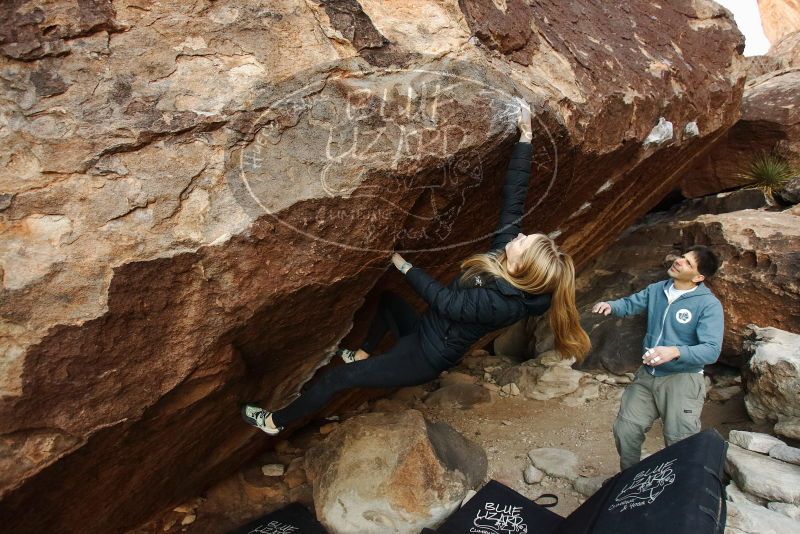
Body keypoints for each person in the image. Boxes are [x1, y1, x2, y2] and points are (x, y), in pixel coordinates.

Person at [241, 100, 591, 435]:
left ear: (520, 266)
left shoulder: (501, 303)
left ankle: (276, 421)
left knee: (336, 380)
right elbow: (514, 199)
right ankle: (362, 352)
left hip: (425, 355)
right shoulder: (505, 258)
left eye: (525, 241)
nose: (522, 233)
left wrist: (404, 265)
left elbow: (446, 303)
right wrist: (526, 137)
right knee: (389, 302)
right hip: (425, 331)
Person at [592, 246, 724, 471]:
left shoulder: (708, 305)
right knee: (626, 429)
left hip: (682, 378)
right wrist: (611, 306)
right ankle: (630, 480)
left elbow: (711, 350)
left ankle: (680, 492)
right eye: (683, 256)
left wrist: (675, 351)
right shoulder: (658, 290)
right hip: (648, 374)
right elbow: (631, 303)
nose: (679, 261)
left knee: (679, 440)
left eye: (688, 263)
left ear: (699, 277)